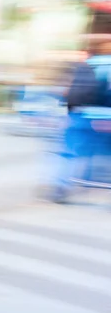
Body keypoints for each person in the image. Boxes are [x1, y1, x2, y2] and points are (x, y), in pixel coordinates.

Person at [50, 35, 111, 202]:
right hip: (107, 117)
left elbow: (65, 91)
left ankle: (61, 187)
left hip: (81, 114)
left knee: (69, 152)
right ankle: (92, 181)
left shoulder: (87, 65)